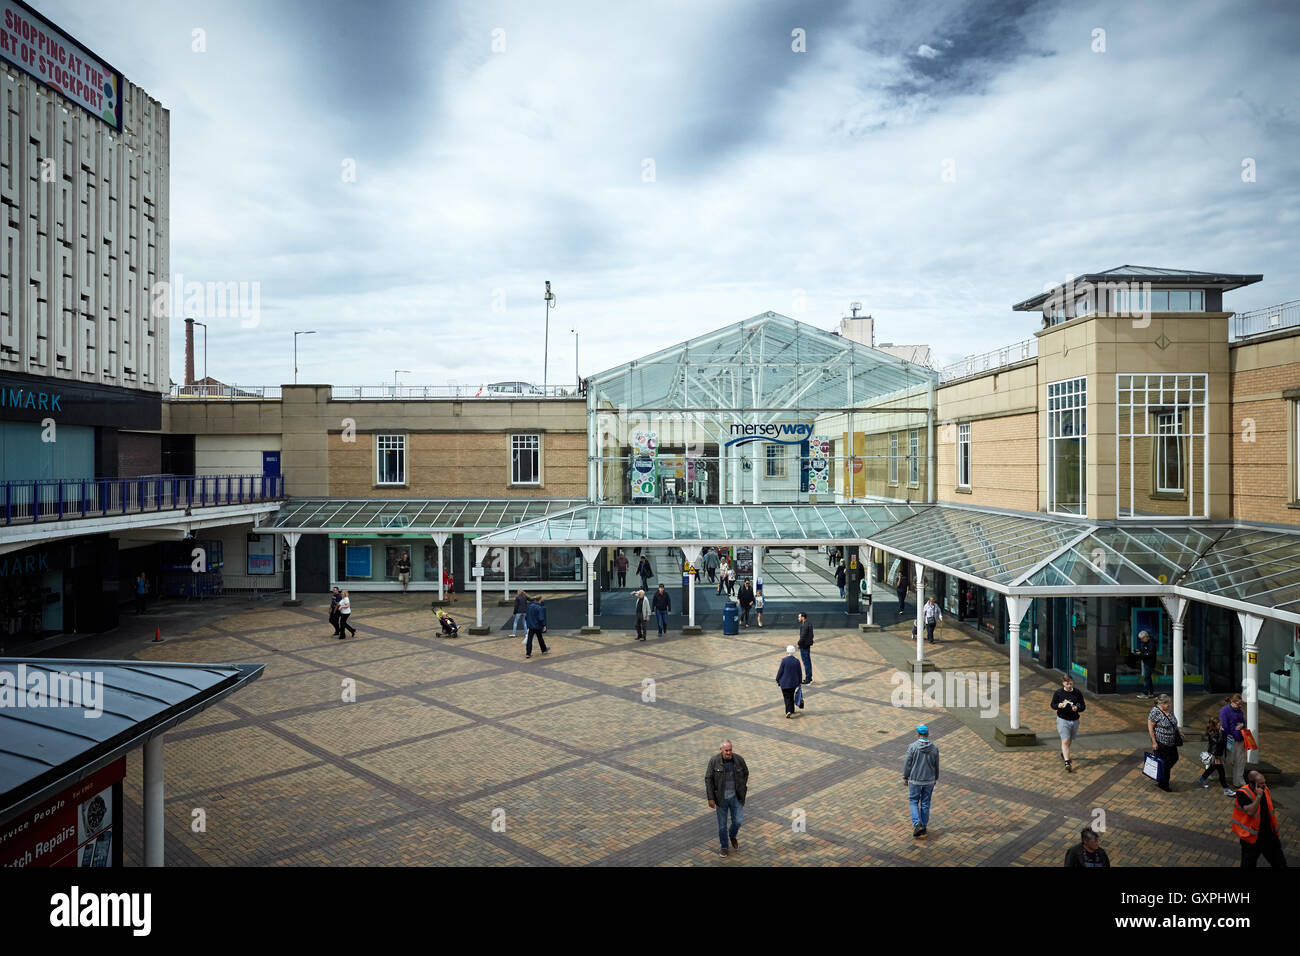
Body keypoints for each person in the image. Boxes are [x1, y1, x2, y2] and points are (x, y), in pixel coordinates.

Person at [1234, 771, 1287, 868]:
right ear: (1251, 783)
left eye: (1264, 782)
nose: (1264, 785)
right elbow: (1250, 812)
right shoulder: (1243, 793)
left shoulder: (1265, 789)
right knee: (1248, 864)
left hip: (1268, 835)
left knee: (1280, 863)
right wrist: (1258, 797)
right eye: (1261, 783)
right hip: (1251, 838)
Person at [705, 740, 749, 856]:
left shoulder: (739, 759)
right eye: (726, 750)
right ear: (721, 750)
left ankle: (732, 835)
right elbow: (708, 779)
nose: (729, 752)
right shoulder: (714, 761)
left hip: (736, 797)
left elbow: (745, 772)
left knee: (738, 821)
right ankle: (724, 846)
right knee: (722, 825)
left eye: (730, 750)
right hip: (721, 799)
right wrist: (711, 798)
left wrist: (742, 787)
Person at [903, 724, 939, 838]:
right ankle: (923, 825)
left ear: (918, 734)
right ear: (927, 735)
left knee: (913, 801)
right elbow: (936, 765)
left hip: (915, 780)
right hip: (929, 780)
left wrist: (905, 777)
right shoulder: (934, 748)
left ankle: (917, 824)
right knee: (925, 803)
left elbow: (907, 764)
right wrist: (935, 778)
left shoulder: (912, 747)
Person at [1050, 673, 1085, 772]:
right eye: (1067, 684)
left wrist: (1077, 708)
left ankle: (1064, 753)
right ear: (1063, 683)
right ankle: (1067, 762)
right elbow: (1052, 705)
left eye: (1071, 683)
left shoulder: (1077, 693)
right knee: (1065, 741)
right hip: (1062, 720)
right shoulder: (1058, 693)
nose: (1069, 686)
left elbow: (1083, 706)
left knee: (1069, 740)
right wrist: (1059, 705)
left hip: (1074, 720)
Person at [1147, 693, 1181, 792]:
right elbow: (1150, 727)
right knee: (1166, 762)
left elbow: (1174, 722)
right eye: (1167, 704)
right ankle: (1164, 784)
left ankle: (1161, 773)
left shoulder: (1170, 710)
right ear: (1161, 703)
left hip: (1172, 741)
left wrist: (1179, 732)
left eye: (1169, 703)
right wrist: (1154, 742)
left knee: (1174, 758)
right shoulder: (1155, 711)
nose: (1169, 705)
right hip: (1161, 742)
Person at [1198, 714, 1234, 795]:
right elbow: (1218, 742)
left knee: (1212, 768)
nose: (1220, 725)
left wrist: (1223, 733)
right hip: (1215, 754)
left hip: (1219, 754)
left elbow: (1223, 742)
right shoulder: (1212, 732)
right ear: (1214, 725)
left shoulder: (1218, 731)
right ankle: (1226, 789)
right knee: (1221, 772)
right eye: (1218, 724)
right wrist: (1222, 732)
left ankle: (1202, 779)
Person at [1219, 693, 1248, 789]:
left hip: (1240, 738)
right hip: (1231, 739)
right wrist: (1229, 737)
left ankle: (1238, 780)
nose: (1240, 706)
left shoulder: (1239, 711)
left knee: (1240, 760)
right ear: (1232, 702)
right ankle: (1212, 768)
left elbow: (1244, 721)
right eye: (1238, 704)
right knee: (1229, 759)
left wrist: (1242, 725)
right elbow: (1225, 726)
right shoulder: (1224, 711)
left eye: (1241, 704)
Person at [776, 645, 803, 718]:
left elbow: (780, 671)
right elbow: (799, 672)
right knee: (791, 696)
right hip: (793, 683)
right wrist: (800, 681)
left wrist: (777, 679)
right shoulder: (797, 661)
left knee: (786, 697)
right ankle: (792, 709)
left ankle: (788, 711)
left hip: (784, 683)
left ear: (787, 651)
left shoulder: (784, 660)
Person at [1135, 629, 1157, 699]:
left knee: (1146, 678)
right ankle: (1151, 692)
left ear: (1146, 637)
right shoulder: (1145, 643)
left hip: (1150, 663)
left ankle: (1145, 693)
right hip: (1146, 662)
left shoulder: (1151, 643)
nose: (1141, 640)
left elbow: (1150, 654)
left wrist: (1141, 653)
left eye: (1142, 638)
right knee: (1148, 678)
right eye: (1140, 639)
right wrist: (1140, 652)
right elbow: (1145, 651)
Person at [797, 611, 814, 684]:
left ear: (803, 617)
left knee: (806, 663)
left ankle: (808, 679)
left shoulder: (804, 626)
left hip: (804, 646)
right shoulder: (809, 624)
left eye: (799, 617)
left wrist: (799, 643)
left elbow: (803, 636)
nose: (798, 618)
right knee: (808, 662)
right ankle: (809, 678)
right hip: (807, 645)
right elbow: (812, 635)